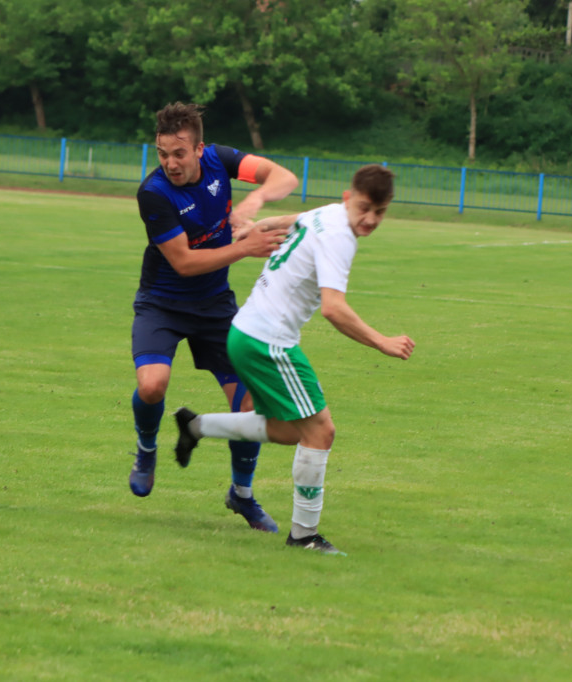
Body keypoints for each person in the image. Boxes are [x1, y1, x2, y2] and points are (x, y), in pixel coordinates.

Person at [173, 164, 415, 554]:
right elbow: (333, 309)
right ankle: (304, 535)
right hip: (268, 342)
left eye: (381, 212)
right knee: (321, 431)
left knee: (289, 431)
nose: (370, 220)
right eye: (366, 208)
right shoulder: (340, 236)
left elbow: (291, 218)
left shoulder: (327, 214)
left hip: (246, 333)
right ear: (350, 198)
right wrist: (382, 341)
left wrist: (260, 226)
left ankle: (197, 426)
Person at [128, 101, 299, 532]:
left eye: (179, 153)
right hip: (162, 303)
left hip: (216, 307)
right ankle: (147, 447)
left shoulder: (221, 161)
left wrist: (254, 199)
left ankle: (241, 495)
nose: (170, 163)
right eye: (163, 154)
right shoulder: (154, 193)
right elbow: (184, 263)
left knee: (247, 406)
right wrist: (246, 245)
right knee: (152, 386)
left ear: (200, 149)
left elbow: (285, 176)